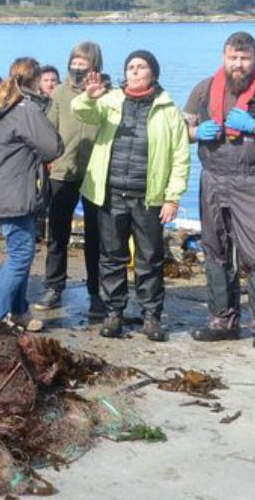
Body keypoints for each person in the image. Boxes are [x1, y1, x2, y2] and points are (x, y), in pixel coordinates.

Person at [184, 31, 255, 358]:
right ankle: (222, 321)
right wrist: (195, 132)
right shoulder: (204, 88)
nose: (239, 64)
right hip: (213, 178)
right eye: (233, 58)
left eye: (245, 58)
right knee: (216, 250)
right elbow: (180, 128)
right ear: (224, 56)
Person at [73, 51, 189, 341]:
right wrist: (90, 96)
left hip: (148, 197)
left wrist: (173, 197)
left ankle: (151, 316)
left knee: (150, 258)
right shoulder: (110, 99)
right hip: (111, 193)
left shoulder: (169, 110)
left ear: (153, 73)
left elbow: (181, 156)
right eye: (131, 67)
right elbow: (81, 111)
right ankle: (114, 313)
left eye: (141, 67)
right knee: (112, 257)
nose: (135, 72)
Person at [0, 58, 63, 324]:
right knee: (22, 253)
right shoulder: (24, 109)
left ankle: (19, 311)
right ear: (35, 80)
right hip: (12, 191)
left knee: (18, 250)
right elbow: (52, 148)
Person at [38, 41, 106, 316]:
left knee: (95, 237)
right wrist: (48, 159)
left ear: (95, 67)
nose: (77, 68)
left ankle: (96, 292)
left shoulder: (106, 93)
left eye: (84, 64)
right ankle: (54, 287)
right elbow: (48, 128)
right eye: (74, 63)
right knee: (57, 234)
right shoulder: (60, 93)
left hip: (94, 173)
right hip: (62, 172)